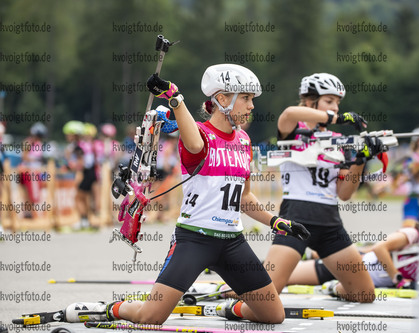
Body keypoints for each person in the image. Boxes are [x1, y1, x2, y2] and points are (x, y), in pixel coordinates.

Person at [62, 64, 309, 325]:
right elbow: (194, 143)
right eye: (246, 98)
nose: (251, 106)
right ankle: (115, 308)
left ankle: (227, 309)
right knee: (151, 317)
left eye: (251, 100)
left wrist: (276, 221)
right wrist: (174, 98)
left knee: (274, 316)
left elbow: (244, 197)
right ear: (222, 99)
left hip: (232, 242)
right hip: (195, 240)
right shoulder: (200, 135)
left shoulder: (244, 141)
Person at [262, 73, 380, 303]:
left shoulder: (339, 141)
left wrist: (360, 160)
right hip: (296, 217)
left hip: (329, 223)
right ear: (309, 100)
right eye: (329, 101)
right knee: (265, 297)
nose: (335, 108)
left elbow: (344, 194)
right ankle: (232, 298)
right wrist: (336, 118)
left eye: (338, 103)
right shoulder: (292, 130)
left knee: (364, 294)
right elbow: (288, 113)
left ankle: (333, 288)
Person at [286, 202, 419, 290]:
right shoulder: (413, 235)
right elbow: (380, 248)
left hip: (361, 280)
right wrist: (397, 279)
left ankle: (329, 281)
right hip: (351, 269)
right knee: (281, 277)